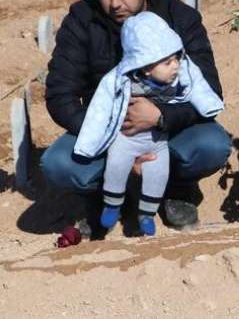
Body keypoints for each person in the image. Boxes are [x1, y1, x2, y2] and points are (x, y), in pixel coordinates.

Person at [41, 0, 231, 238]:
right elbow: (59, 94)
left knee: (212, 145)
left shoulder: (179, 19)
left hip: (167, 131)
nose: (115, 3)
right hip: (108, 129)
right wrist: (112, 131)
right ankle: (101, 198)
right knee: (58, 164)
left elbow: (208, 87)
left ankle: (175, 188)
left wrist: (160, 117)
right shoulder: (82, 21)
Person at [74, 12, 224, 236]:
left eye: (176, 58)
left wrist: (207, 104)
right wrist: (89, 143)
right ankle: (112, 205)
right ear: (145, 67)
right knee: (116, 165)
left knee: (158, 173)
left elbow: (200, 87)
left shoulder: (182, 71)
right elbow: (99, 110)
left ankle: (147, 214)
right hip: (125, 140)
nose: (175, 65)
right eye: (167, 62)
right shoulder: (120, 80)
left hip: (157, 142)